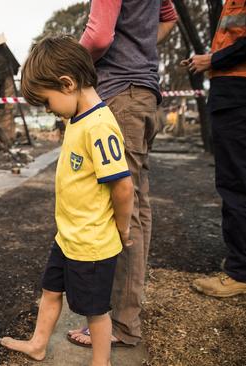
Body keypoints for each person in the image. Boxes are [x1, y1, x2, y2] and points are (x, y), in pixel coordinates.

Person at [0, 36, 134, 366]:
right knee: (50, 291)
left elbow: (123, 187)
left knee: (95, 312)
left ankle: (101, 363)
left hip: (92, 244)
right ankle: (38, 344)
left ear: (67, 83)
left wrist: (123, 229)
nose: (48, 110)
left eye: (46, 101)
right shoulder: (76, 118)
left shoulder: (100, 126)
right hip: (67, 237)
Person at [68, 0, 178, 348]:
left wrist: (68, 62)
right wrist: (139, 47)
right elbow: (168, 19)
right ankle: (123, 315)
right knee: (138, 207)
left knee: (123, 210)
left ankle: (121, 323)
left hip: (119, 94)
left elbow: (99, 37)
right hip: (143, 94)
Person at [183, 0, 246, 297]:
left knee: (239, 182)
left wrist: (213, 60)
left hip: (243, 91)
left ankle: (244, 273)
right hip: (245, 91)